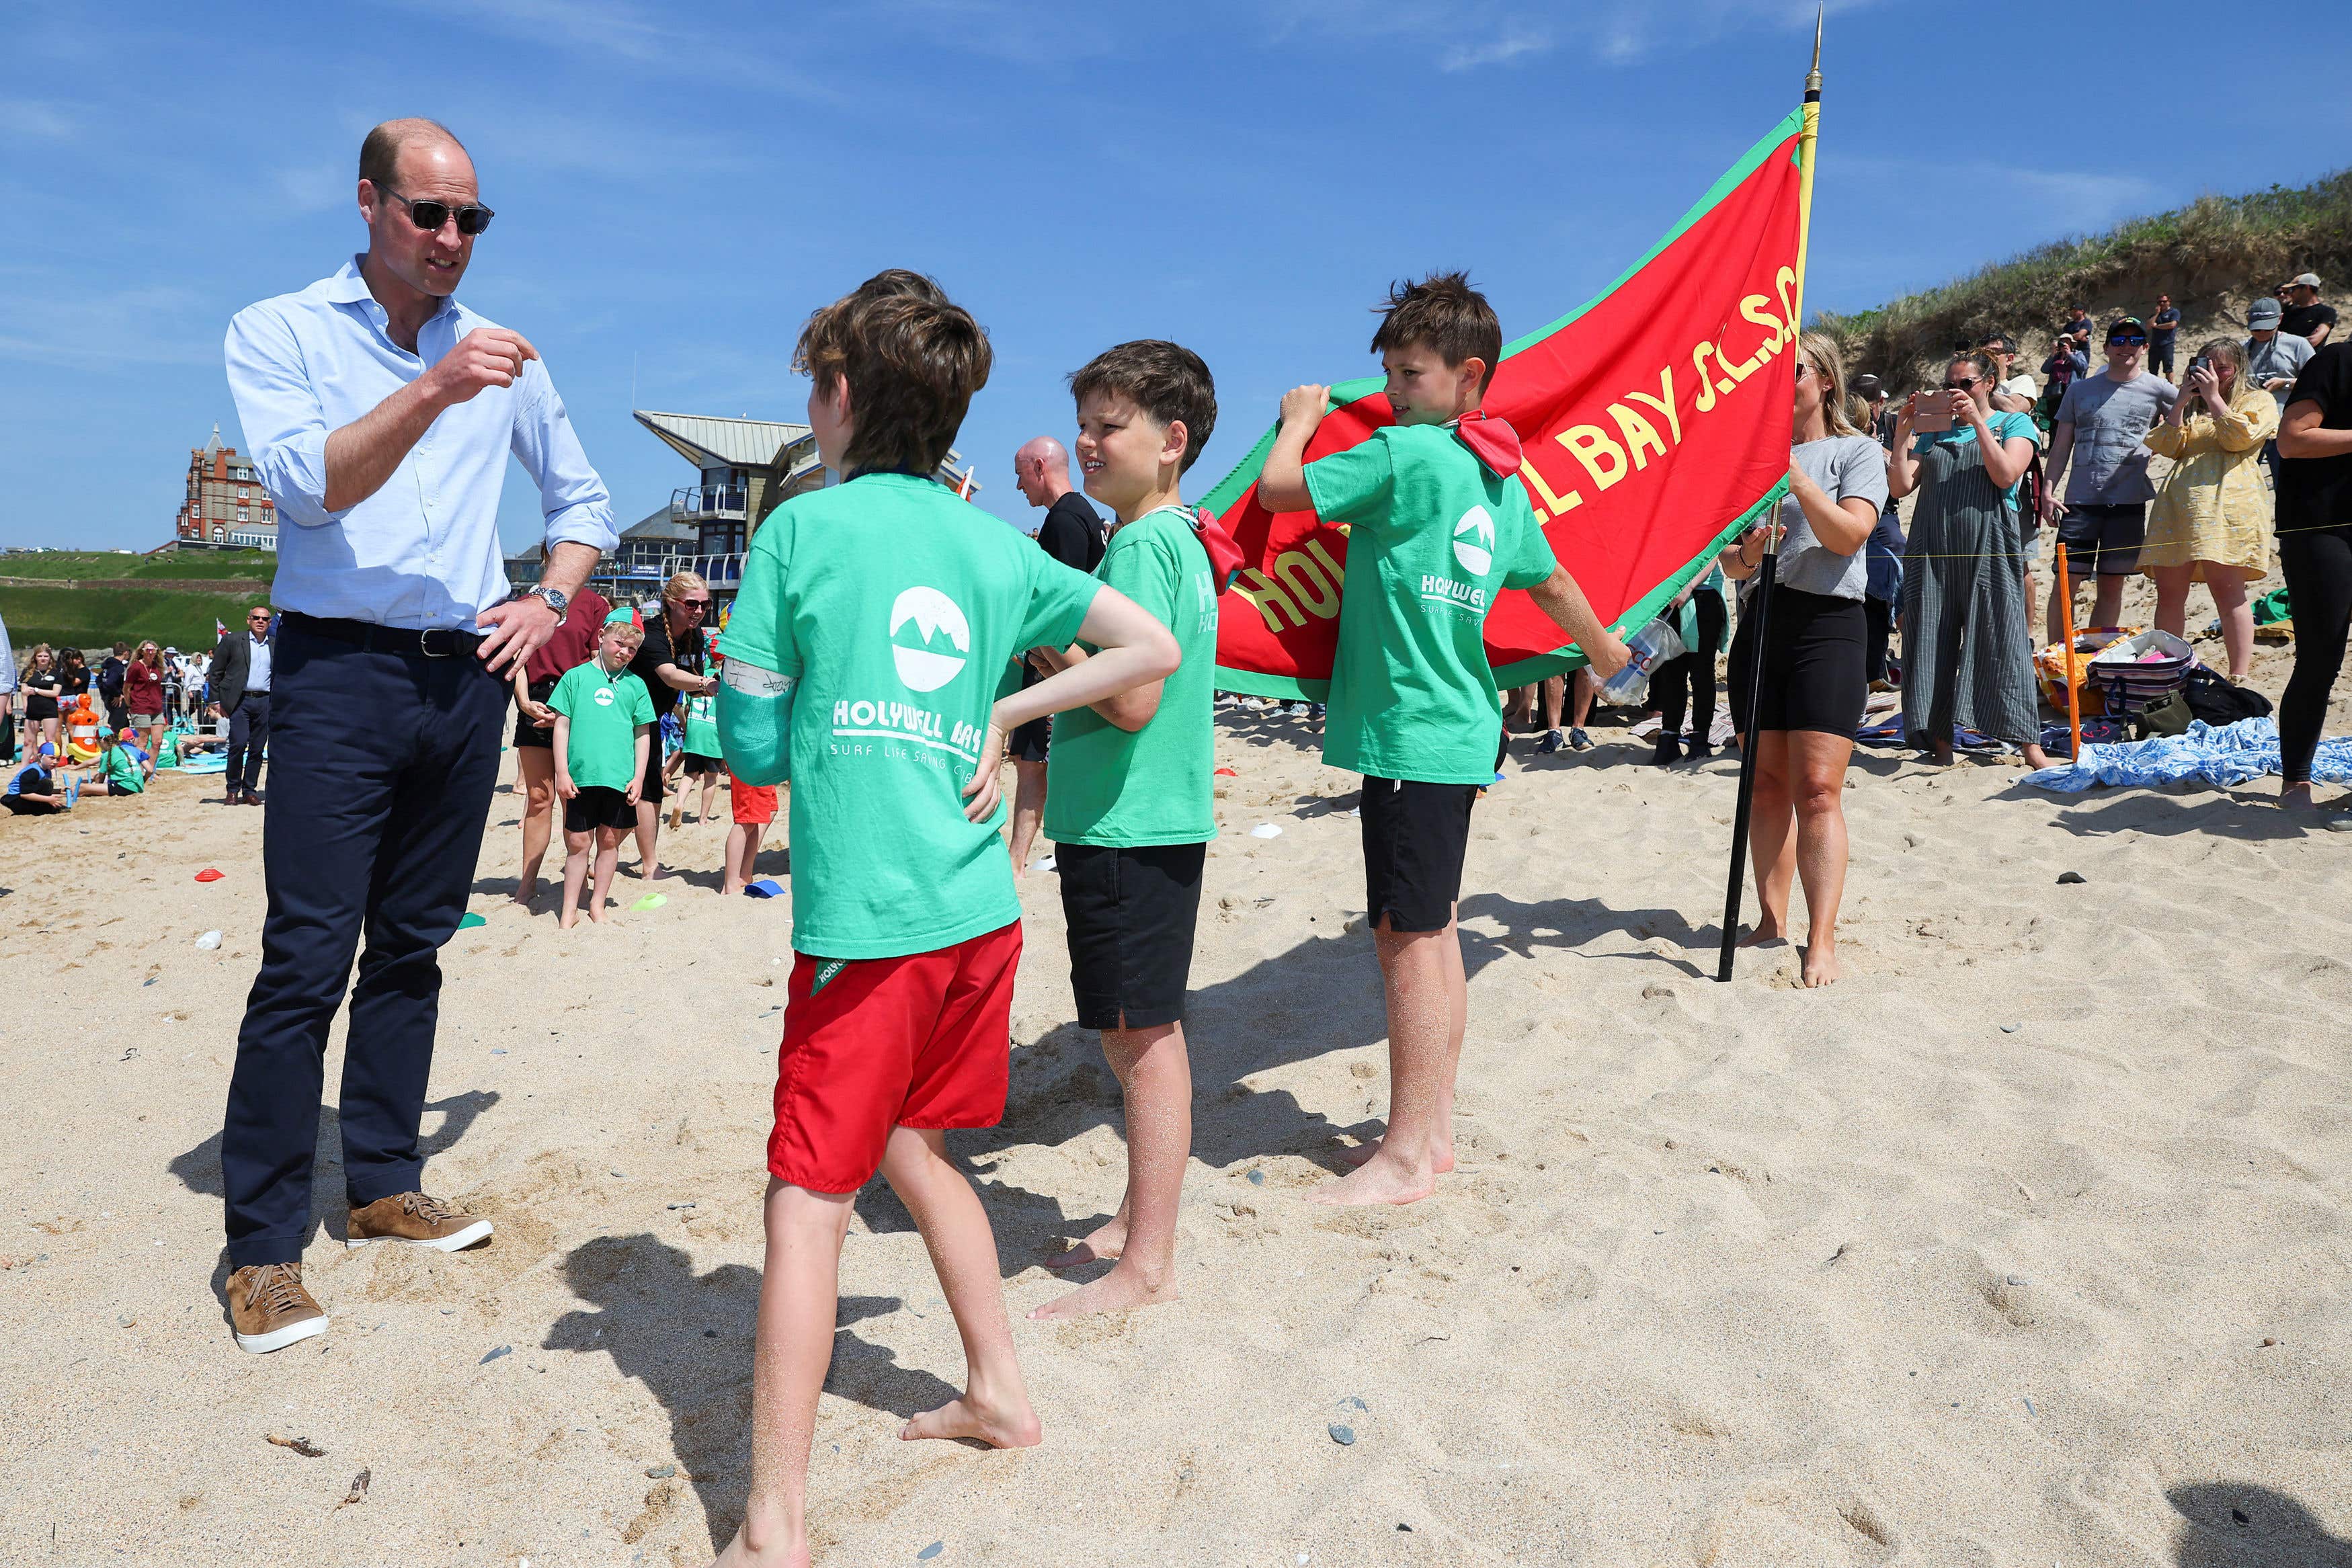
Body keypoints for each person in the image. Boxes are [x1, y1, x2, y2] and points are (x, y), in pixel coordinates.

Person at [706, 269, 1179, 1568]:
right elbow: (1149, 649)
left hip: (870, 925)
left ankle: (774, 1523)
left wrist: (787, 725)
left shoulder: (802, 529)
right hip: (978, 913)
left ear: (843, 398)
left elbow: (747, 723)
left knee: (805, 1199)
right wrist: (1002, 712)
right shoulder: (990, 545)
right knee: (916, 1144)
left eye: (815, 387)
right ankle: (999, 1389)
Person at [215, 117, 616, 1354]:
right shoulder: (279, 330)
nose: (452, 239)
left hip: (463, 677)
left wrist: (547, 598)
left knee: (415, 945)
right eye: (429, 213)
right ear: (368, 204)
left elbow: (584, 502)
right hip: (334, 671)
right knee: (304, 957)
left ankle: (382, 1178)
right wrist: (437, 382)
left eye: (471, 220)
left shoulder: (510, 360)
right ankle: (263, 1249)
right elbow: (307, 486)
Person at [1255, 272, 1630, 1207]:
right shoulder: (1497, 481)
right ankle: (1436, 1132)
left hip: (1409, 733)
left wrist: (1297, 418)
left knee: (1406, 941)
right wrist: (1607, 652)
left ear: (1469, 378)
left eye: (1410, 374)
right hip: (1462, 728)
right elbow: (1547, 585)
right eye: (1385, 372)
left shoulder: (1401, 455)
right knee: (1432, 931)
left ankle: (1405, 1154)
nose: (1390, 391)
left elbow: (1276, 492)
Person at [1026, 341, 1219, 1320]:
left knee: (1138, 1040)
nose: (1087, 442)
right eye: (1085, 424)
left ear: (1170, 440)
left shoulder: (1141, 543)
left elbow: (1134, 697)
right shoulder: (1174, 537)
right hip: (1153, 819)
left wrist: (1043, 646)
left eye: (1109, 425)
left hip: (1123, 822)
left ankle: (1147, 1261)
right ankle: (1137, 1219)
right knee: (1139, 1032)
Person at [1717, 335, 1884, 986]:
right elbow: (1727, 561)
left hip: (1828, 624)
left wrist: (1794, 479)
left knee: (1817, 788)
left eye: (1789, 369)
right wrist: (1751, 550)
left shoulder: (1855, 451)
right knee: (1763, 785)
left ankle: (1821, 940)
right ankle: (1768, 918)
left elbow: (1850, 533)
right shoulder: (1749, 460)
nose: (1776, 380)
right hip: (1762, 622)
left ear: (1824, 381)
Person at [1889, 351, 2056, 770]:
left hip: (1990, 547)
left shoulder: (2014, 424)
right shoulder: (1934, 433)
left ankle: (2030, 746)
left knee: (2005, 641)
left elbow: (2005, 475)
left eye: (1966, 384)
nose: (1957, 392)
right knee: (1931, 642)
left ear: (1988, 384)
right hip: (1932, 549)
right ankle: (1940, 745)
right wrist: (1902, 433)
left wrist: (1980, 423)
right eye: (1951, 385)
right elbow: (1900, 485)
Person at [2141, 339, 2278, 680]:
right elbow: (2167, 447)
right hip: (2178, 507)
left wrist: (2214, 397)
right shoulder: (2192, 407)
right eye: (2206, 366)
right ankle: (2169, 671)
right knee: (2170, 592)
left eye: (2223, 369)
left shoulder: (2258, 400)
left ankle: (2239, 674)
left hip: (2228, 507)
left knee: (2228, 591)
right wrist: (2181, 402)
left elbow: (2239, 439)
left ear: (2239, 369)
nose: (2212, 375)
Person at [2041, 317, 2181, 641]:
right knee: (2065, 584)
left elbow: (2183, 430)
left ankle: (2094, 658)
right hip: (2078, 502)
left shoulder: (2160, 389)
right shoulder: (2079, 390)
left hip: (2129, 502)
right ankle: (2059, 662)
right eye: (2118, 341)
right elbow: (2061, 446)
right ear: (2105, 348)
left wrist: (2149, 450)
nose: (2126, 347)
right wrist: (2048, 491)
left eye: (2134, 341)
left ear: (2146, 348)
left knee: (2112, 585)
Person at [1007, 434, 1107, 874]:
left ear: (1039, 468)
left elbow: (1059, 609)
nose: (1017, 487)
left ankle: (1016, 860)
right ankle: (1021, 856)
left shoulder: (1065, 521)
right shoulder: (1078, 515)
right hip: (1063, 665)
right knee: (1032, 761)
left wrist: (1038, 656)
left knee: (1032, 763)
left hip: (1059, 667)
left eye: (1019, 475)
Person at [2275, 341, 2352, 821]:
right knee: (2321, 655)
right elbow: (2291, 439)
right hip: (2320, 525)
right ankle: (2295, 777)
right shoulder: (2336, 361)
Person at [507, 581, 611, 906]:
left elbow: (599, 663)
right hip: (535, 698)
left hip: (578, 700)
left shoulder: (594, 604)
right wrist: (523, 701)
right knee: (539, 798)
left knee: (573, 798)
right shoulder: (526, 602)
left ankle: (577, 881)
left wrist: (570, 707)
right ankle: (527, 883)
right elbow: (517, 658)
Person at [551, 606, 654, 927]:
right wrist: (562, 772)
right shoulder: (576, 677)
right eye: (619, 643)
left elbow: (643, 734)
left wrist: (638, 777)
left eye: (632, 649)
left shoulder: (636, 685)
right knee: (578, 843)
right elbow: (561, 725)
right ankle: (570, 909)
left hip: (618, 779)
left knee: (609, 841)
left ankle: (597, 905)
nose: (624, 652)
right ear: (602, 636)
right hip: (581, 776)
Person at [625, 570, 715, 882]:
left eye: (705, 604)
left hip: (652, 722)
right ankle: (648, 866)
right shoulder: (652, 634)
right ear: (671, 602)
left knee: (646, 793)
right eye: (692, 604)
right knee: (636, 794)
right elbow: (669, 674)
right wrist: (706, 683)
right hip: (625, 723)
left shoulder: (696, 635)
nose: (699, 611)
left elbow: (690, 686)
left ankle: (634, 863)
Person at [1650, 563, 1726, 764]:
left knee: (1701, 672)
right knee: (1671, 672)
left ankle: (1699, 740)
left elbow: (1714, 548)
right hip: (1669, 593)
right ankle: (1669, 739)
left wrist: (1689, 586)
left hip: (1704, 593)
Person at [204, 607, 274, 805]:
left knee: (258, 749)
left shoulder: (275, 645)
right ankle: (232, 789)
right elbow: (216, 672)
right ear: (248, 620)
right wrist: (216, 701)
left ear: (270, 622)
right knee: (238, 744)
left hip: (264, 701)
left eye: (265, 619)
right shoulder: (233, 640)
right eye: (256, 618)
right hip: (240, 701)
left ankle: (249, 790)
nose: (260, 621)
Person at [2247, 296, 2316, 487]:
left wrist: (2284, 383)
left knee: (2286, 484)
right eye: (2255, 328)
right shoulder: (2242, 347)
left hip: (2285, 426)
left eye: (2266, 327)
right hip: (2252, 428)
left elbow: (2317, 381)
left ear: (2280, 319)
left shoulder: (2298, 345)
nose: (2260, 333)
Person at [721, 762, 774, 897]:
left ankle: (744, 875)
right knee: (746, 819)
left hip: (759, 758)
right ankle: (732, 884)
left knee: (769, 809)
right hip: (751, 756)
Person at [124, 641, 167, 759]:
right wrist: (130, 705)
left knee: (157, 742)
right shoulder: (136, 667)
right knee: (142, 742)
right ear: (141, 652)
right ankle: (139, 771)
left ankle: (150, 772)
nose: (150, 653)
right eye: (147, 650)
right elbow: (127, 688)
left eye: (153, 650)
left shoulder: (157, 667)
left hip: (157, 708)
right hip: (141, 707)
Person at [19, 644, 63, 760]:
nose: (43, 658)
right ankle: (32, 759)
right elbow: (24, 690)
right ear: (35, 658)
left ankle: (50, 762)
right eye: (40, 656)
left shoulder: (56, 673)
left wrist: (37, 690)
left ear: (50, 658)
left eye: (46, 656)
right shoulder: (28, 672)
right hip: (33, 708)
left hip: (49, 709)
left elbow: (55, 693)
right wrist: (25, 703)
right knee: (29, 740)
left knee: (50, 739)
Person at [4, 742, 66, 815]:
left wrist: (59, 791)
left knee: (47, 785)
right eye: (52, 758)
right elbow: (25, 794)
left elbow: (36, 788)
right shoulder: (33, 771)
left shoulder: (47, 770)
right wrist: (48, 799)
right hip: (15, 800)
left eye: (58, 759)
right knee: (47, 784)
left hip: (24, 796)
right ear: (40, 757)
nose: (55, 762)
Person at [89, 726, 153, 796]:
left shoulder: (111, 752)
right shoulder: (132, 751)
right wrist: (143, 780)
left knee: (87, 784)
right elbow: (150, 770)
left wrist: (77, 767)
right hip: (137, 785)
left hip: (123, 786)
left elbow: (93, 765)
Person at [1981, 334, 2037, 412]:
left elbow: (2014, 409)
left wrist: (1979, 389)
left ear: (2009, 359)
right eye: (1984, 352)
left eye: (1994, 352)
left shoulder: (2022, 381)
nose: (1987, 356)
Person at [2282, 273, 2335, 349]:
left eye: (2293, 289)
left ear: (2306, 288)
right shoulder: (2288, 311)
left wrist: (2284, 343)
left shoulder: (2326, 312)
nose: (2290, 294)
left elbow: (2314, 340)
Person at [97, 643, 130, 735]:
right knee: (119, 725)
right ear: (125, 653)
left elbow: (99, 680)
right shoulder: (118, 668)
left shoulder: (107, 666)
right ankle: (115, 745)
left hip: (108, 697)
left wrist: (104, 694)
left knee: (122, 722)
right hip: (116, 700)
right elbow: (110, 683)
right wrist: (117, 694)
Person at [2149, 294, 2182, 380]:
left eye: (2164, 301)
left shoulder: (2174, 312)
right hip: (2155, 344)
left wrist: (2157, 326)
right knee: (2153, 369)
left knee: (2168, 368)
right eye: (2160, 302)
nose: (2162, 303)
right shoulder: (2155, 315)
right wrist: (2157, 314)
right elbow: (2149, 325)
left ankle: (2169, 386)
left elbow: (2172, 324)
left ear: (2169, 301)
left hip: (2167, 344)